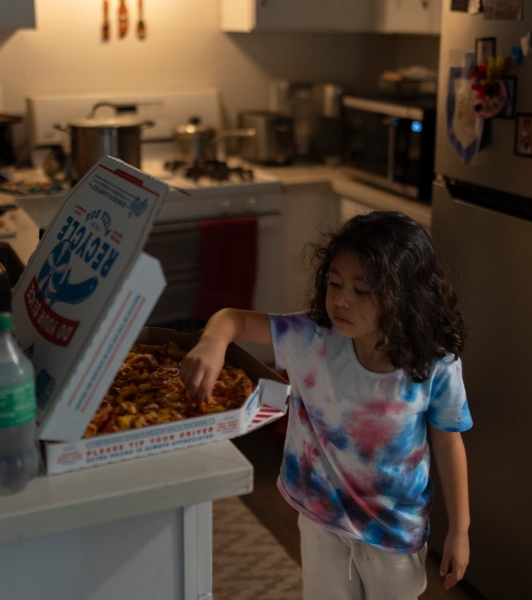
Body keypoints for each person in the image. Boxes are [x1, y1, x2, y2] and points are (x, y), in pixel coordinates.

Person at [180, 211, 472, 599]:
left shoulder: (436, 365)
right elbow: (231, 319)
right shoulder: (312, 338)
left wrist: (460, 530)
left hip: (395, 530)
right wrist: (211, 343)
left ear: (404, 296)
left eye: (361, 290)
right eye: (334, 284)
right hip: (322, 517)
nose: (341, 301)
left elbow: (448, 443)